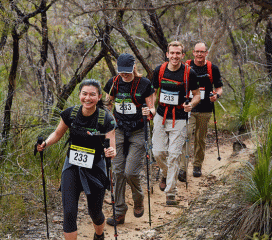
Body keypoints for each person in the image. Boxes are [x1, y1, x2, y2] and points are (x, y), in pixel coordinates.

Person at [36, 79, 116, 240]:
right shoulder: (70, 114)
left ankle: (99, 235)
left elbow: (112, 146)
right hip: (71, 166)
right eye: (84, 94)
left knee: (95, 212)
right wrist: (45, 143)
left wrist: (111, 151)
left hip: (95, 168)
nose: (88, 98)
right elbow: (57, 134)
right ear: (79, 95)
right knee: (69, 213)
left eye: (92, 94)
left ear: (99, 96)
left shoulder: (106, 119)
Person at [103, 53, 155, 226]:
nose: (124, 75)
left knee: (130, 172)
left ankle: (138, 199)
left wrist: (150, 112)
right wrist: (106, 115)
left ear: (134, 67)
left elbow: (152, 108)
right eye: (121, 71)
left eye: (127, 71)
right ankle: (119, 211)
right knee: (117, 172)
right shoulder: (113, 83)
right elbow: (108, 104)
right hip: (118, 130)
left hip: (138, 131)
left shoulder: (145, 84)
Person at [151, 41, 200, 205]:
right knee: (158, 153)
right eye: (172, 53)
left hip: (179, 118)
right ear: (167, 54)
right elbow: (152, 92)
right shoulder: (160, 70)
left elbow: (197, 95)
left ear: (183, 55)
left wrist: (191, 105)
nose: (174, 56)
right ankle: (165, 173)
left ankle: (171, 193)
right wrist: (151, 108)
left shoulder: (189, 72)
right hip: (161, 115)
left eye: (178, 53)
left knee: (174, 155)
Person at [178, 41, 223, 181]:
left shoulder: (212, 68)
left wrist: (217, 95)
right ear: (193, 52)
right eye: (197, 51)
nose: (199, 54)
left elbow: (219, 87)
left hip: (205, 109)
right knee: (185, 137)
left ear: (206, 53)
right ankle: (183, 169)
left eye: (202, 52)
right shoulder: (185, 66)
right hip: (189, 109)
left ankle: (197, 165)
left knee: (200, 139)